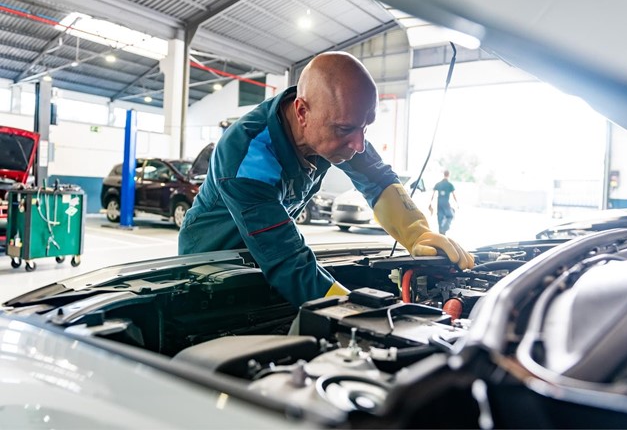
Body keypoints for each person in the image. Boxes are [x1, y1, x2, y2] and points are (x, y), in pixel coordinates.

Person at [179, 52, 474, 308]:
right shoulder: (246, 155)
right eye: (347, 129)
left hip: (266, 257)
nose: (359, 144)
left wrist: (416, 232)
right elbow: (288, 261)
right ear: (302, 111)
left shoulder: (336, 126)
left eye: (365, 127)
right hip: (209, 264)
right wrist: (352, 309)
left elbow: (378, 179)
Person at [429, 170, 458, 235]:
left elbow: (433, 194)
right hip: (446, 202)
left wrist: (430, 202)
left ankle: (441, 231)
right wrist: (457, 203)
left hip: (439, 202)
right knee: (450, 216)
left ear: (444, 174)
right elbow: (454, 195)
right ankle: (444, 229)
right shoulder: (450, 185)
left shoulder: (438, 184)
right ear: (448, 175)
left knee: (440, 216)